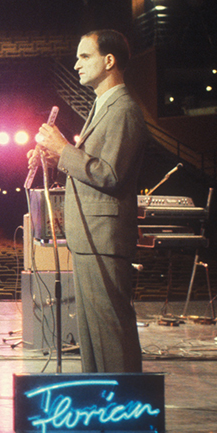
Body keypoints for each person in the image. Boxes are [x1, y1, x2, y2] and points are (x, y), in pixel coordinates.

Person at [30, 29, 147, 372]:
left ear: (108, 61)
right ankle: (101, 405)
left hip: (104, 237)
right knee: (93, 333)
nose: (76, 64)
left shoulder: (123, 109)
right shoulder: (102, 107)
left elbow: (110, 174)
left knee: (110, 331)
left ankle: (123, 409)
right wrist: (55, 158)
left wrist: (63, 149)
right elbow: (92, 169)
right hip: (89, 236)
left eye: (84, 56)